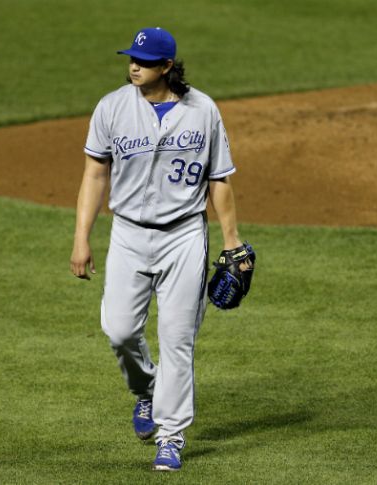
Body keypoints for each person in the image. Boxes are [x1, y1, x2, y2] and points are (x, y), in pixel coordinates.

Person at [70, 26, 250, 472]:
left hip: (184, 236)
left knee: (176, 338)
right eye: (131, 58)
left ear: (167, 67)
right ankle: (145, 390)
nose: (134, 66)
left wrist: (232, 241)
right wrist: (81, 239)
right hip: (129, 234)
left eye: (144, 61)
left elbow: (219, 179)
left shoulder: (202, 110)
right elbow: (95, 175)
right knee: (119, 330)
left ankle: (171, 435)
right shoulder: (112, 108)